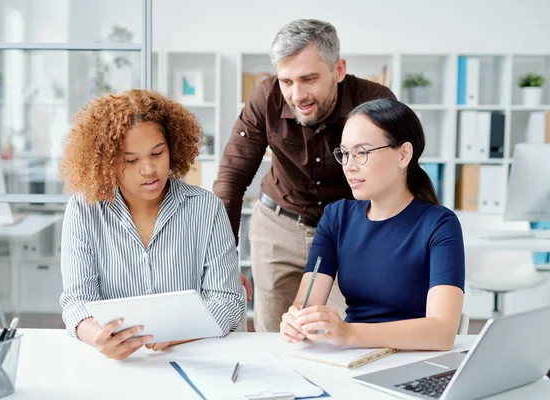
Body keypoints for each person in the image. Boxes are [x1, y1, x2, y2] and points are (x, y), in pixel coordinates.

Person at [213, 19, 397, 332]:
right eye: (287, 81)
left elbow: (396, 182)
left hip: (348, 232)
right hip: (278, 227)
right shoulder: (266, 98)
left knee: (344, 331)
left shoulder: (375, 103)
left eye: (308, 79)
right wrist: (222, 263)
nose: (297, 94)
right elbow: (231, 179)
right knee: (275, 334)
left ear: (338, 70)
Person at [58, 89, 245, 360]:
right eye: (131, 160)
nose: (149, 169)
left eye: (157, 153)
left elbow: (227, 302)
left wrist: (177, 331)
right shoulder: (83, 210)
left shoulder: (206, 209)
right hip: (117, 366)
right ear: (106, 162)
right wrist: (97, 337)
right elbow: (76, 302)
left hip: (192, 359)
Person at [279, 98, 465, 351]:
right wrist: (298, 321)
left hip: (414, 357)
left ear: (403, 155)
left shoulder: (439, 224)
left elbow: (442, 333)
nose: (349, 166)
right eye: (344, 154)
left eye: (362, 153)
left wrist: (349, 332)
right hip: (352, 357)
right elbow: (307, 302)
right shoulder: (336, 217)